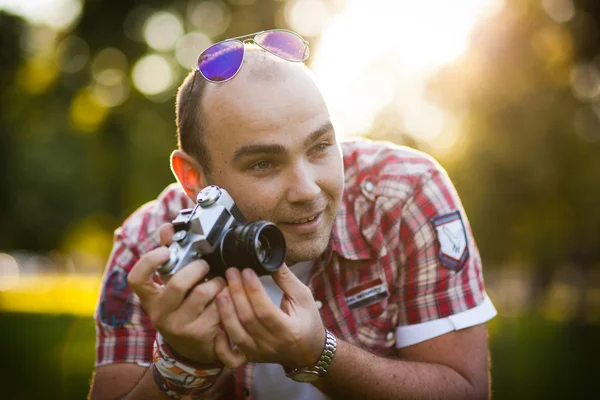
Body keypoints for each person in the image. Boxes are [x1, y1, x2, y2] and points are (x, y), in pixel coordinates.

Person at [89, 29, 496, 400]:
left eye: (320, 146)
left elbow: (467, 391)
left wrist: (320, 354)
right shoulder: (150, 253)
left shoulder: (405, 195)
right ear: (194, 178)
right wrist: (182, 362)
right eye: (264, 163)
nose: (306, 190)